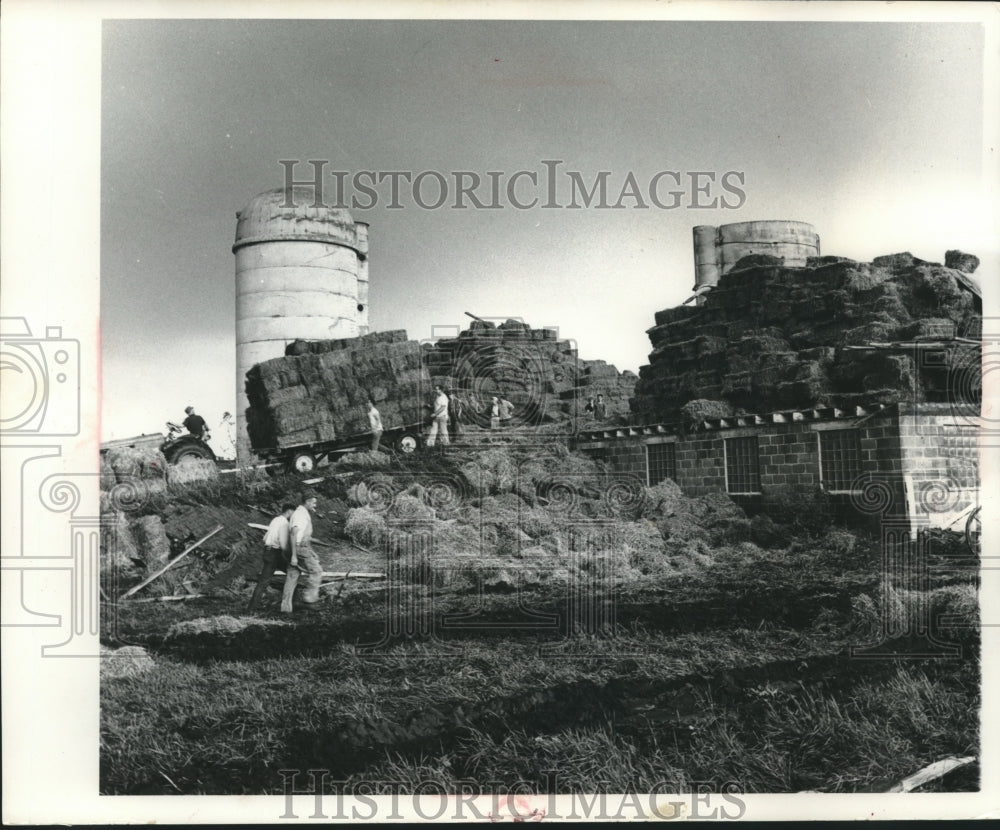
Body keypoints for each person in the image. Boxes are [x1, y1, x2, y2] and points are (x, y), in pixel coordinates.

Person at [246, 502, 295, 612]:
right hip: (275, 553)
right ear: (289, 512)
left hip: (268, 550)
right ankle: (292, 603)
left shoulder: (275, 520)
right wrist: (290, 555)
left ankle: (251, 608)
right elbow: (283, 545)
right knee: (292, 573)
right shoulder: (284, 523)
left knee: (289, 574)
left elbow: (265, 537)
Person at [280, 491, 323, 613]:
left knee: (292, 576)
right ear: (308, 501)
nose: (315, 505)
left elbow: (304, 536)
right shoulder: (300, 515)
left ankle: (285, 608)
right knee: (317, 571)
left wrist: (312, 551)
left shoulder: (302, 513)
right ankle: (309, 600)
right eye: (314, 503)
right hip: (298, 549)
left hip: (299, 548)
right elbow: (294, 534)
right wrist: (294, 556)